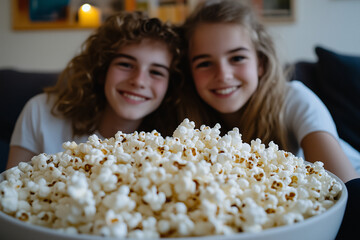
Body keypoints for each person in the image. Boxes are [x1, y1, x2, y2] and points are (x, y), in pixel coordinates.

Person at [179, 0, 360, 183]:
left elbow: (347, 191)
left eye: (237, 58)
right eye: (205, 63)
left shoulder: (295, 100)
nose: (223, 75)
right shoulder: (186, 117)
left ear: (261, 63)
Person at [6, 11, 183, 169]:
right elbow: (10, 194)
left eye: (156, 72)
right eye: (126, 64)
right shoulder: (41, 112)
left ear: (170, 86)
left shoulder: (173, 146)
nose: (138, 81)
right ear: (101, 70)